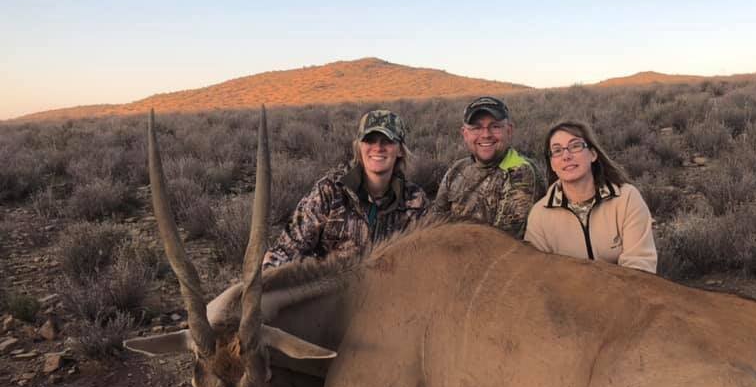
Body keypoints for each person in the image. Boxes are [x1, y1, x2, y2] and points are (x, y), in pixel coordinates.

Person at [262, 109, 429, 269]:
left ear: (400, 150)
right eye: (370, 140)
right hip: (332, 293)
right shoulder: (329, 192)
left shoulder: (414, 200)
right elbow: (284, 252)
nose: (378, 147)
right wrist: (269, 279)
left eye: (387, 141)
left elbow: (426, 259)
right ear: (359, 146)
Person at [524, 121, 657, 273]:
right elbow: (539, 275)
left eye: (575, 146)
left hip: (625, 293)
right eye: (557, 151)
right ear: (552, 164)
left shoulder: (626, 198)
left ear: (593, 154)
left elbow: (640, 266)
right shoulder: (540, 215)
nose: (566, 156)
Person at [431, 96, 544, 239]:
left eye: (495, 126)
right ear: (465, 134)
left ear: (509, 130)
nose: (486, 135)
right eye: (476, 128)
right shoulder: (457, 169)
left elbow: (502, 242)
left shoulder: (520, 172)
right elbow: (435, 224)